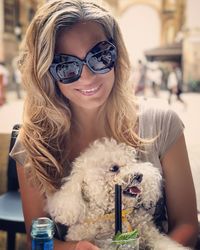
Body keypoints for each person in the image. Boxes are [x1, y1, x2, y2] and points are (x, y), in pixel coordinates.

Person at [10, 0, 198, 249]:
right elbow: (39, 236)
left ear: (117, 53)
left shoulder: (162, 122)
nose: (87, 76)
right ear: (46, 72)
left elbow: (187, 224)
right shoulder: (33, 142)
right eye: (66, 66)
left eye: (99, 56)